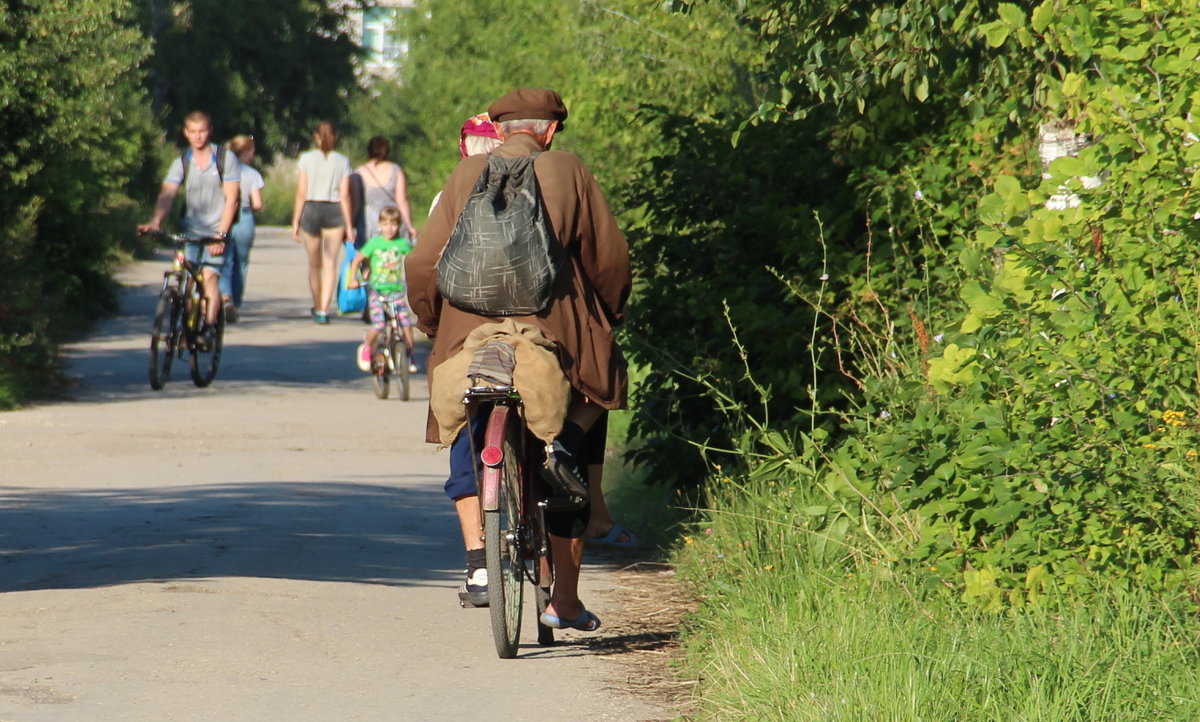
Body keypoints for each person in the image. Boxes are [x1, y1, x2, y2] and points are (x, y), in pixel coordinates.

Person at [406, 88, 631, 632]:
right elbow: (610, 261)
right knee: (596, 388)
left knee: (468, 387)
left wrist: (437, 327)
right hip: (554, 326)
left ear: (500, 129)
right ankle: (566, 600)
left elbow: (421, 262)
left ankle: (485, 543)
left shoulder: (465, 176)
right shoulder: (567, 169)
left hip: (468, 330)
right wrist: (607, 316)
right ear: (550, 130)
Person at [138, 110, 240, 350]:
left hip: (217, 232)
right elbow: (168, 194)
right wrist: (156, 221)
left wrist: (222, 235)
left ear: (210, 131)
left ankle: (207, 327)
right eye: (193, 132)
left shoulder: (225, 159)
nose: (198, 136)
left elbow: (232, 199)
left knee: (209, 280)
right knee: (186, 281)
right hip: (191, 232)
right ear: (186, 133)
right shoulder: (182, 162)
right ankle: (182, 325)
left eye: (202, 131)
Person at [292, 121, 354, 324]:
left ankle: (317, 303)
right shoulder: (342, 161)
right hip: (334, 211)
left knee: (314, 264)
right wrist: (349, 223)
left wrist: (295, 222)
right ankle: (324, 309)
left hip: (311, 209)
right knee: (330, 263)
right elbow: (344, 195)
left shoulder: (306, 159)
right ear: (334, 137)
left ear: (316, 137)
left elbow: (301, 192)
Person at [348, 206, 417, 374]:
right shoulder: (375, 243)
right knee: (379, 325)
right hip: (377, 292)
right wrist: (353, 279)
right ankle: (367, 347)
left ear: (399, 226)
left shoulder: (402, 244)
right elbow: (357, 260)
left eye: (393, 224)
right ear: (380, 225)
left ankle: (408, 354)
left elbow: (414, 260)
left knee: (406, 325)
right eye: (385, 224)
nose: (389, 228)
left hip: (397, 292)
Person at [218, 134, 265, 321]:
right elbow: (258, 204)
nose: (253, 154)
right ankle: (235, 304)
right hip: (244, 218)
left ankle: (225, 297)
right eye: (252, 151)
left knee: (224, 261)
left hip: (224, 217)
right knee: (242, 264)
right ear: (244, 152)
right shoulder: (252, 174)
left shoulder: (222, 170)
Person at [357, 136, 417, 243]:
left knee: (369, 255)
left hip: (367, 224)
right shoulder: (396, 170)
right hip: (392, 221)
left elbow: (354, 203)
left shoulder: (359, 172)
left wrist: (349, 226)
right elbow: (402, 201)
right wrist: (409, 226)